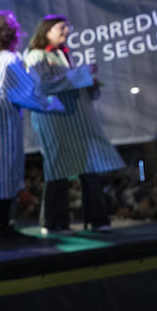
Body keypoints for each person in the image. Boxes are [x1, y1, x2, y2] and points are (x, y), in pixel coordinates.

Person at [0, 12, 65, 242]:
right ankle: (2, 226)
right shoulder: (8, 59)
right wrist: (53, 104)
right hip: (1, 121)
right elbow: (26, 92)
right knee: (4, 172)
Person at [23, 15, 124, 232]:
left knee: (89, 166)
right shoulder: (35, 56)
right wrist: (82, 74)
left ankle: (97, 219)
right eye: (61, 27)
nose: (66, 31)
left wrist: (90, 84)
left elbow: (67, 83)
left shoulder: (64, 55)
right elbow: (43, 85)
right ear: (46, 31)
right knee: (58, 169)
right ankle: (53, 222)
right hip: (54, 120)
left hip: (77, 119)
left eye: (67, 27)